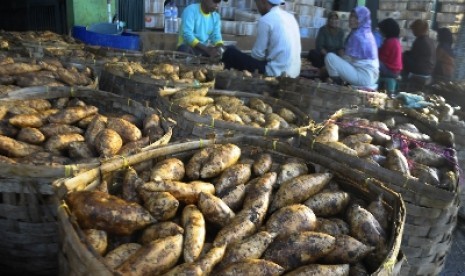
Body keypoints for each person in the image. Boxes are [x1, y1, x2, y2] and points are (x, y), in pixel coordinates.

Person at [221, 0, 301, 78]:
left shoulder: (266, 20)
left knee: (230, 52)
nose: (257, 7)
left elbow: (257, 56)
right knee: (237, 52)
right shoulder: (290, 17)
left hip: (275, 72)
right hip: (294, 72)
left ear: (263, 2)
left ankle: (225, 80)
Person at [324, 6, 379, 90]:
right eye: (351, 16)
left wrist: (331, 69)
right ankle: (338, 81)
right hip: (373, 76)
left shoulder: (358, 36)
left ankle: (337, 85)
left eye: (356, 17)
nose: (351, 19)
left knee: (330, 57)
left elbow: (347, 60)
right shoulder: (367, 33)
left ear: (363, 19)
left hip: (363, 76)